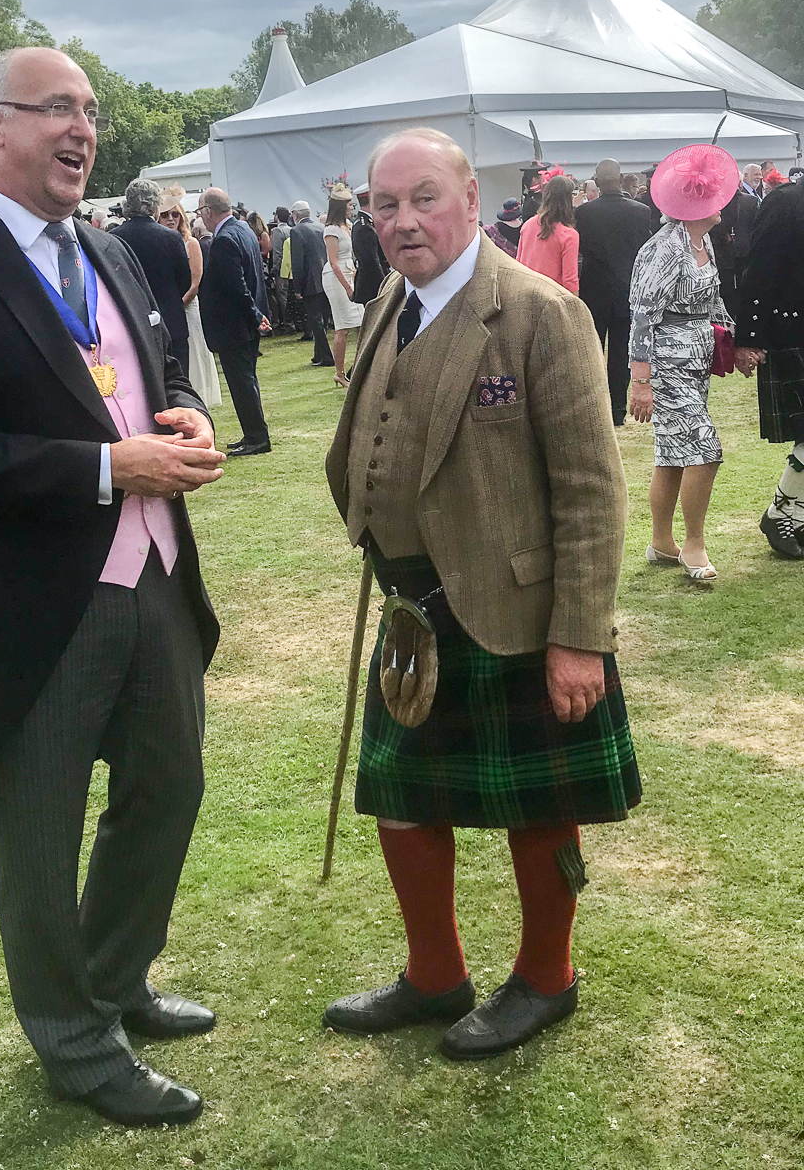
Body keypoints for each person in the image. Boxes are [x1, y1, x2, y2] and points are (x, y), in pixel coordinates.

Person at [0, 46, 227, 1128]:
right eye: (58, 110)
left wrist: (183, 412)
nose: (84, 130)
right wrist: (107, 469)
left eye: (92, 111)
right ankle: (72, 1041)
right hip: (29, 606)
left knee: (169, 790)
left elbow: (149, 368)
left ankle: (114, 983)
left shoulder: (112, 248)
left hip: (154, 578)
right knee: (38, 832)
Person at [323, 127, 638, 1060]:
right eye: (384, 204)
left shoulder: (541, 314)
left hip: (514, 611)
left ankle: (549, 977)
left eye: (423, 198)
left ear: (470, 198)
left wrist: (579, 635)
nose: (402, 220)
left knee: (539, 805)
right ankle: (435, 975)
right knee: (402, 798)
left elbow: (590, 488)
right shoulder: (390, 301)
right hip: (414, 606)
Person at [628, 144, 744, 583]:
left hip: (695, 362)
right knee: (705, 448)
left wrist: (737, 339)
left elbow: (713, 301)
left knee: (673, 453)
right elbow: (642, 315)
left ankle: (661, 542)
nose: (723, 203)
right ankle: (693, 543)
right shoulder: (664, 249)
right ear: (700, 203)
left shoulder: (704, 241)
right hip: (667, 364)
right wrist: (641, 381)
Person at [734, 170, 804, 558]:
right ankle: (781, 512)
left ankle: (791, 513)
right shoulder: (786, 201)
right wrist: (750, 338)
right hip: (790, 332)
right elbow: (758, 271)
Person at [575, 158, 653, 425]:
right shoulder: (640, 211)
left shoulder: (584, 214)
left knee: (593, 350)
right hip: (627, 289)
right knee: (621, 352)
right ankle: (618, 410)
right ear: (621, 179)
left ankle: (595, 407)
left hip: (594, 290)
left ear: (597, 182)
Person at [197, 186, 272, 455]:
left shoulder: (225, 239)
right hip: (247, 321)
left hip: (236, 324)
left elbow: (236, 286)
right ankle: (253, 432)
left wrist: (255, 316)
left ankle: (257, 437)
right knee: (246, 381)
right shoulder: (243, 230)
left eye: (200, 211)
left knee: (242, 383)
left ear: (208, 211)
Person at [113, 178, 193, 379]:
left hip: (132, 324)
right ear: (156, 205)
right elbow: (184, 281)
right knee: (178, 384)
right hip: (171, 322)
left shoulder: (114, 238)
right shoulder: (171, 238)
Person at [157, 186, 222, 411]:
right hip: (169, 308)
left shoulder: (190, 243)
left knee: (194, 353)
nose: (170, 219)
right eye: (165, 215)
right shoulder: (162, 241)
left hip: (187, 307)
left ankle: (198, 396)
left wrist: (178, 305)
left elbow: (195, 283)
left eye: (175, 214)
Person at [322, 184, 365, 388]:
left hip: (352, 272)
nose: (352, 207)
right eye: (348, 204)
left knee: (362, 323)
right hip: (337, 277)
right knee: (343, 326)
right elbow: (334, 261)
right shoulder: (331, 230)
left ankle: (357, 369)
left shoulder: (347, 225)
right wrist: (347, 286)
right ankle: (339, 372)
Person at [289, 200, 335, 367]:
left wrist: (297, 288)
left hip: (311, 282)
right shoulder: (321, 228)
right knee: (322, 318)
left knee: (316, 321)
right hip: (326, 278)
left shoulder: (297, 231)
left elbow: (297, 263)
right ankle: (318, 355)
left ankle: (327, 357)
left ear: (295, 215)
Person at [516, 174, 579, 294]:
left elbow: (518, 264)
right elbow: (570, 282)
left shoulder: (528, 225)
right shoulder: (569, 235)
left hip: (525, 296)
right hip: (551, 300)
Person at [351, 182, 389, 306]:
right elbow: (371, 262)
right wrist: (385, 286)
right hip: (374, 286)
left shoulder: (368, 222)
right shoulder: (364, 227)